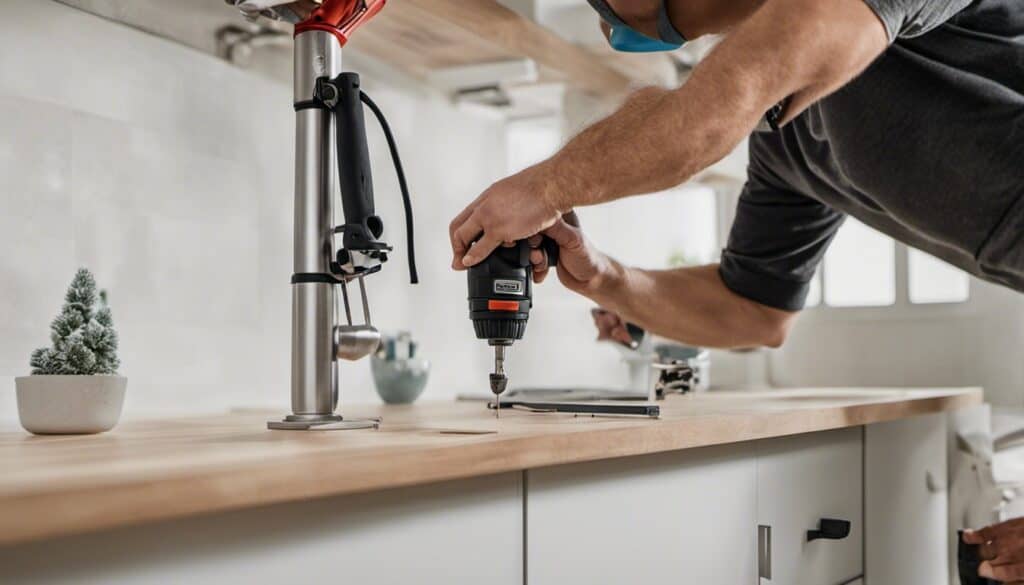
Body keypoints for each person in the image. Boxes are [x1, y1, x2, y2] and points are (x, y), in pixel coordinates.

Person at [447, 0, 1023, 579]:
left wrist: (544, 184)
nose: (602, 21)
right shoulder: (785, 130)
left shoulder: (819, 31)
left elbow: (709, 110)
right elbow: (753, 309)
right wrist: (606, 279)